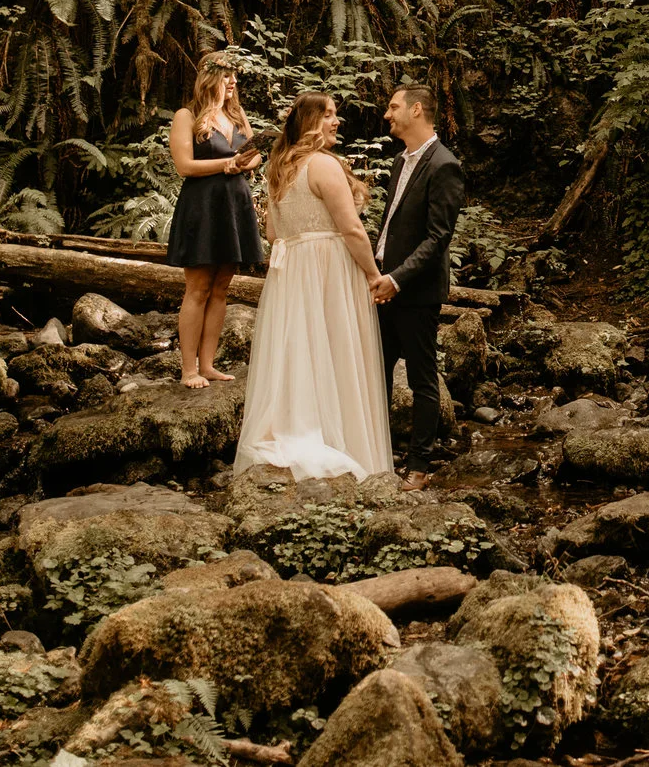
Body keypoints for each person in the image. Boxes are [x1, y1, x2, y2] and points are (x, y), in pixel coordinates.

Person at [235, 92, 395, 480]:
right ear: (309, 122)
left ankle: (303, 425)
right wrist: (372, 274)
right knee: (337, 349)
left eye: (335, 114)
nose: (336, 121)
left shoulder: (280, 167)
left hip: (292, 273)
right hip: (329, 270)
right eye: (328, 115)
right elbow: (352, 228)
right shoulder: (323, 164)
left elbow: (273, 234)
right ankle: (345, 446)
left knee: (301, 352)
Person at [376, 84, 464, 473]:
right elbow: (391, 228)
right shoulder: (401, 161)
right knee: (375, 372)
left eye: (393, 107)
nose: (387, 114)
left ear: (416, 110)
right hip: (383, 285)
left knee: (421, 380)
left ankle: (419, 465)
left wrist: (397, 279)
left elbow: (437, 238)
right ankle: (377, 454)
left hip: (415, 291)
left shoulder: (444, 165)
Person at [166, 51, 266, 390]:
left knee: (221, 288)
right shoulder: (187, 116)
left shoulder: (237, 114)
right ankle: (188, 369)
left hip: (234, 205)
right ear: (209, 78)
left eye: (234, 76)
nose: (233, 82)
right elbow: (184, 166)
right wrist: (226, 165)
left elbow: (255, 155)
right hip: (203, 206)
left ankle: (208, 365)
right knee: (198, 288)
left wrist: (246, 162)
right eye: (227, 76)